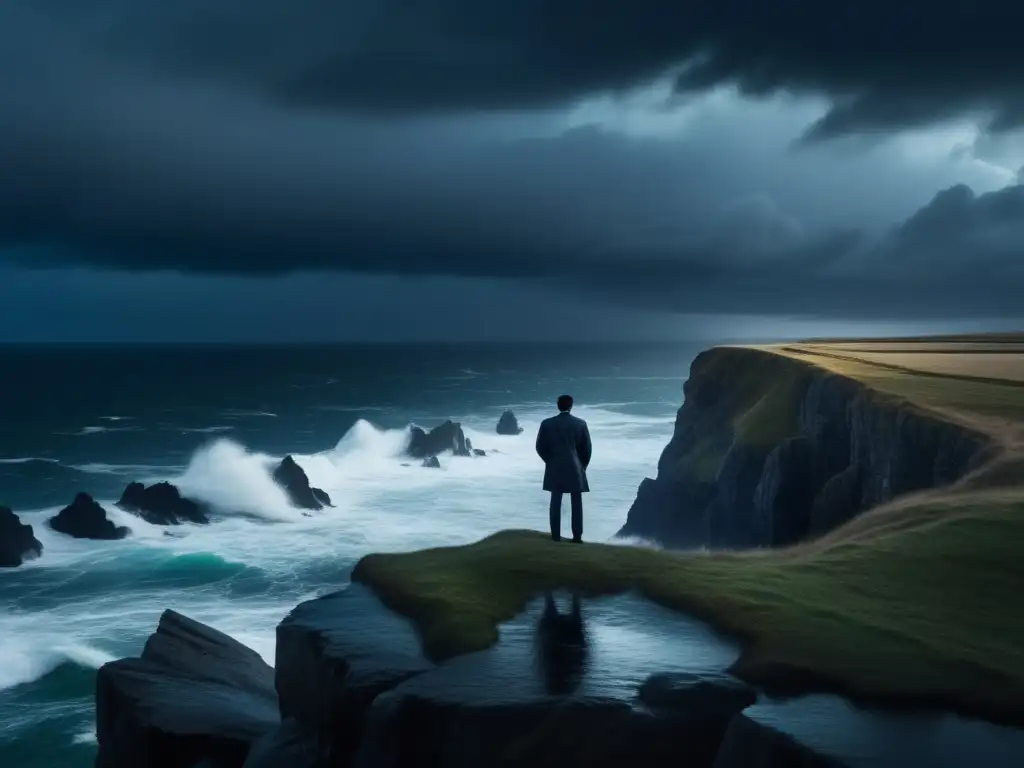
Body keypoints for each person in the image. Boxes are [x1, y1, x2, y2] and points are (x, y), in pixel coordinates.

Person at [535, 394, 592, 542]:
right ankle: (577, 536)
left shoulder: (547, 424)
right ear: (571, 406)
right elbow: (587, 449)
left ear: (558, 405)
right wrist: (582, 466)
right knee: (576, 501)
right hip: (575, 466)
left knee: (555, 500)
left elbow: (540, 447)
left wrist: (550, 460)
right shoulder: (580, 424)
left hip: (555, 466)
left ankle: (555, 536)